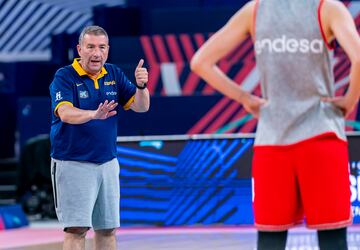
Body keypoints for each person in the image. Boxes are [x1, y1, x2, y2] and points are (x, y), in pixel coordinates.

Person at [191, 0, 360, 249]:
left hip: (272, 140)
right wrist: (349, 100)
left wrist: (245, 98)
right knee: (332, 239)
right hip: (321, 135)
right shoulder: (328, 8)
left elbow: (199, 62)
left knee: (271, 240)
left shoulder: (255, 10)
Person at [49, 25, 149, 250]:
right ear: (80, 49)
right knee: (76, 230)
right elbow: (65, 113)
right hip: (73, 162)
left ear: (108, 49)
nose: (96, 53)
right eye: (91, 47)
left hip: (107, 163)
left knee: (107, 230)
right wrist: (94, 114)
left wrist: (142, 86)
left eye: (101, 47)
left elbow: (142, 107)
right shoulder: (64, 76)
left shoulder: (113, 73)